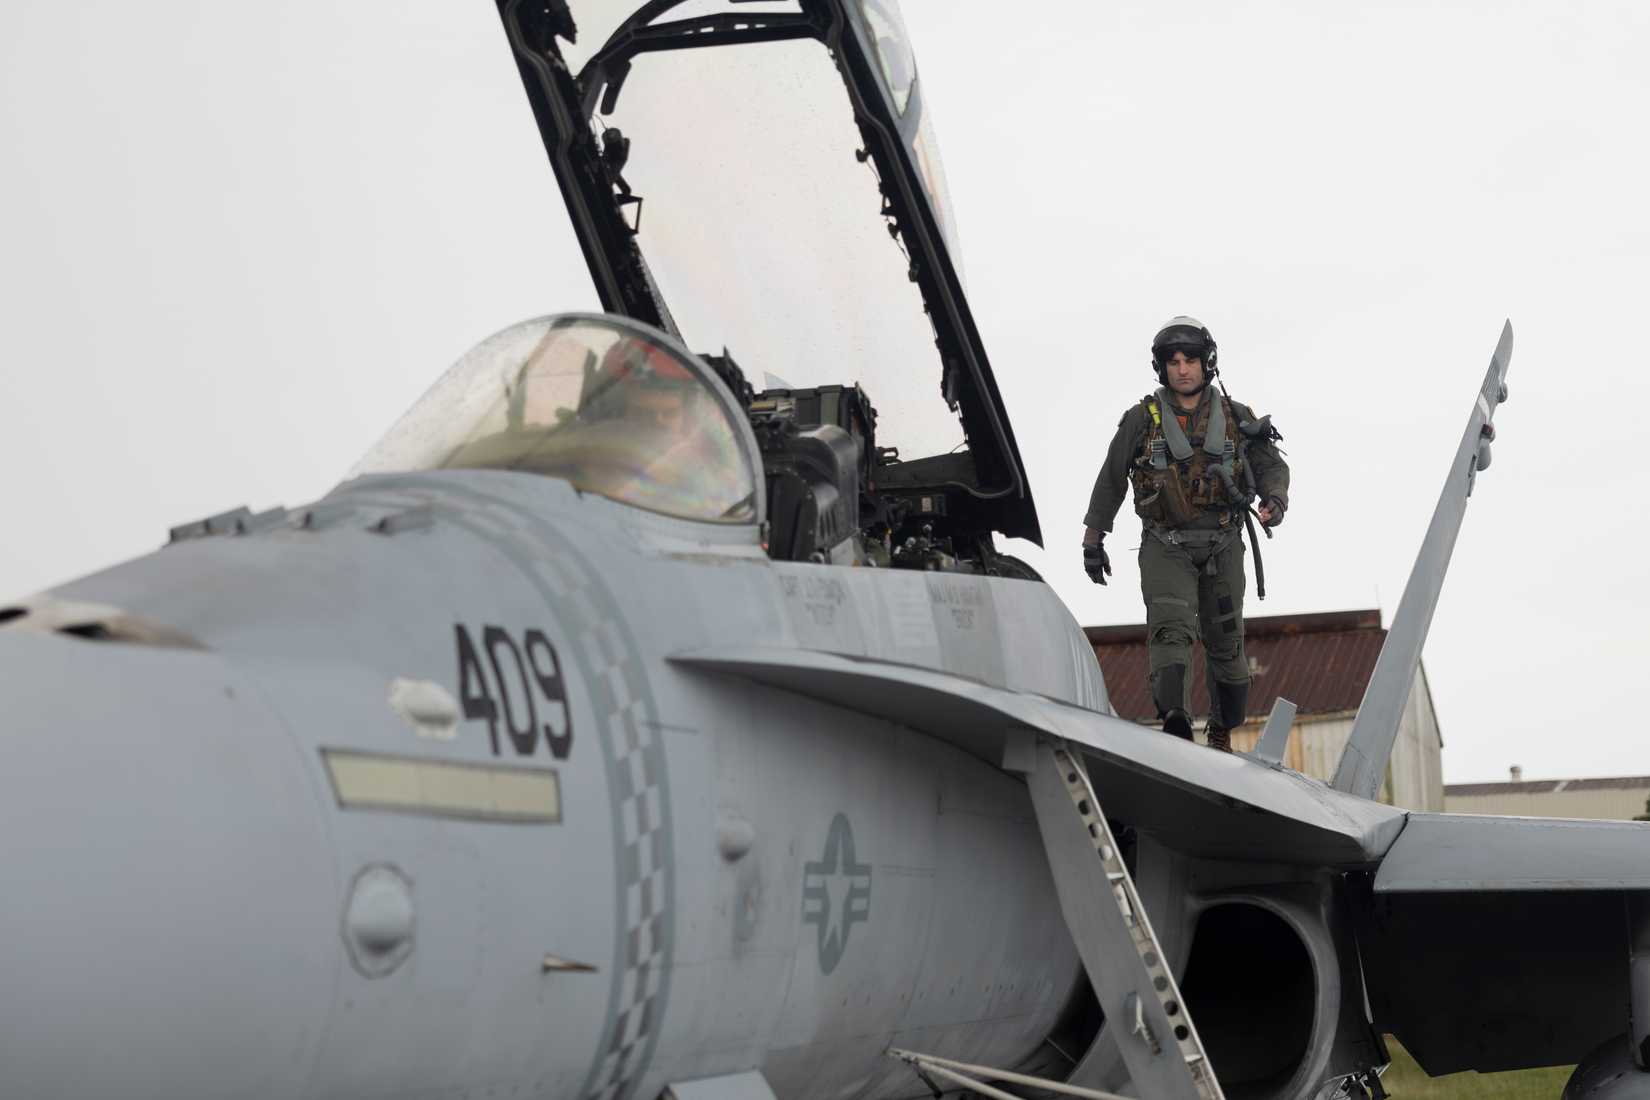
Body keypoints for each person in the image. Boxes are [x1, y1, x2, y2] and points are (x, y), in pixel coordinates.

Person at [1081, 317, 1289, 752]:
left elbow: (1271, 464)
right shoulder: (1142, 420)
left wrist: (1275, 499)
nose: (1182, 369)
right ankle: (1175, 718)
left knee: (1228, 644)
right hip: (1166, 545)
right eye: (1173, 361)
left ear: (1206, 362)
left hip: (1224, 543)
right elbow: (1111, 478)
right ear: (1162, 367)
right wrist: (1093, 540)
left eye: (1190, 359)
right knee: (1170, 630)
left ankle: (1221, 729)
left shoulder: (1236, 417)